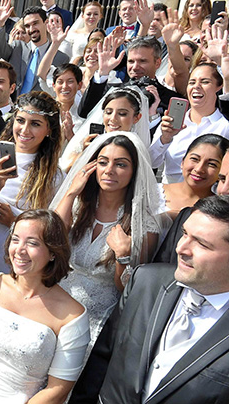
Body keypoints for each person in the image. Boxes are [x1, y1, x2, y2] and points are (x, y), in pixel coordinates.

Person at [69, 195, 229, 404]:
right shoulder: (146, 281)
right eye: (184, 234)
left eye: (201, 244)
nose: (181, 248)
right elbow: (103, 357)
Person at [0, 210, 89, 403]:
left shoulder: (73, 316)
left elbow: (59, 389)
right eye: (15, 240)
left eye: (32, 243)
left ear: (53, 253)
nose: (19, 250)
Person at [51, 132, 161, 349]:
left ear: (133, 172)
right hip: (55, 302)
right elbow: (53, 238)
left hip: (98, 321)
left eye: (120, 164)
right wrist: (72, 192)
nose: (109, 170)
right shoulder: (79, 205)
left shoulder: (143, 224)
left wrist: (123, 255)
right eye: (103, 162)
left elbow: (127, 289)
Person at [0, 91, 63, 272]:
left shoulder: (54, 176)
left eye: (35, 124)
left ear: (49, 130)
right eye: (20, 121)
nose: (25, 130)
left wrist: (14, 222)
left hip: (16, 259)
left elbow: (51, 230)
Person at [150, 63, 229, 183]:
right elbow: (152, 162)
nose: (197, 86)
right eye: (192, 82)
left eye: (205, 82)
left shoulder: (225, 127)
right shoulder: (170, 122)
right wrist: (165, 139)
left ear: (219, 86)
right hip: (171, 194)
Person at [60, 86, 151, 171]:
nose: (113, 118)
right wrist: (85, 155)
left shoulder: (137, 149)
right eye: (108, 112)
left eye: (122, 113)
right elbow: (65, 172)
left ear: (137, 117)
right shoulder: (89, 141)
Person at [158, 134, 229, 216]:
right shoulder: (152, 192)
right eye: (194, 159)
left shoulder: (222, 209)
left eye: (211, 164)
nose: (199, 169)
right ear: (182, 161)